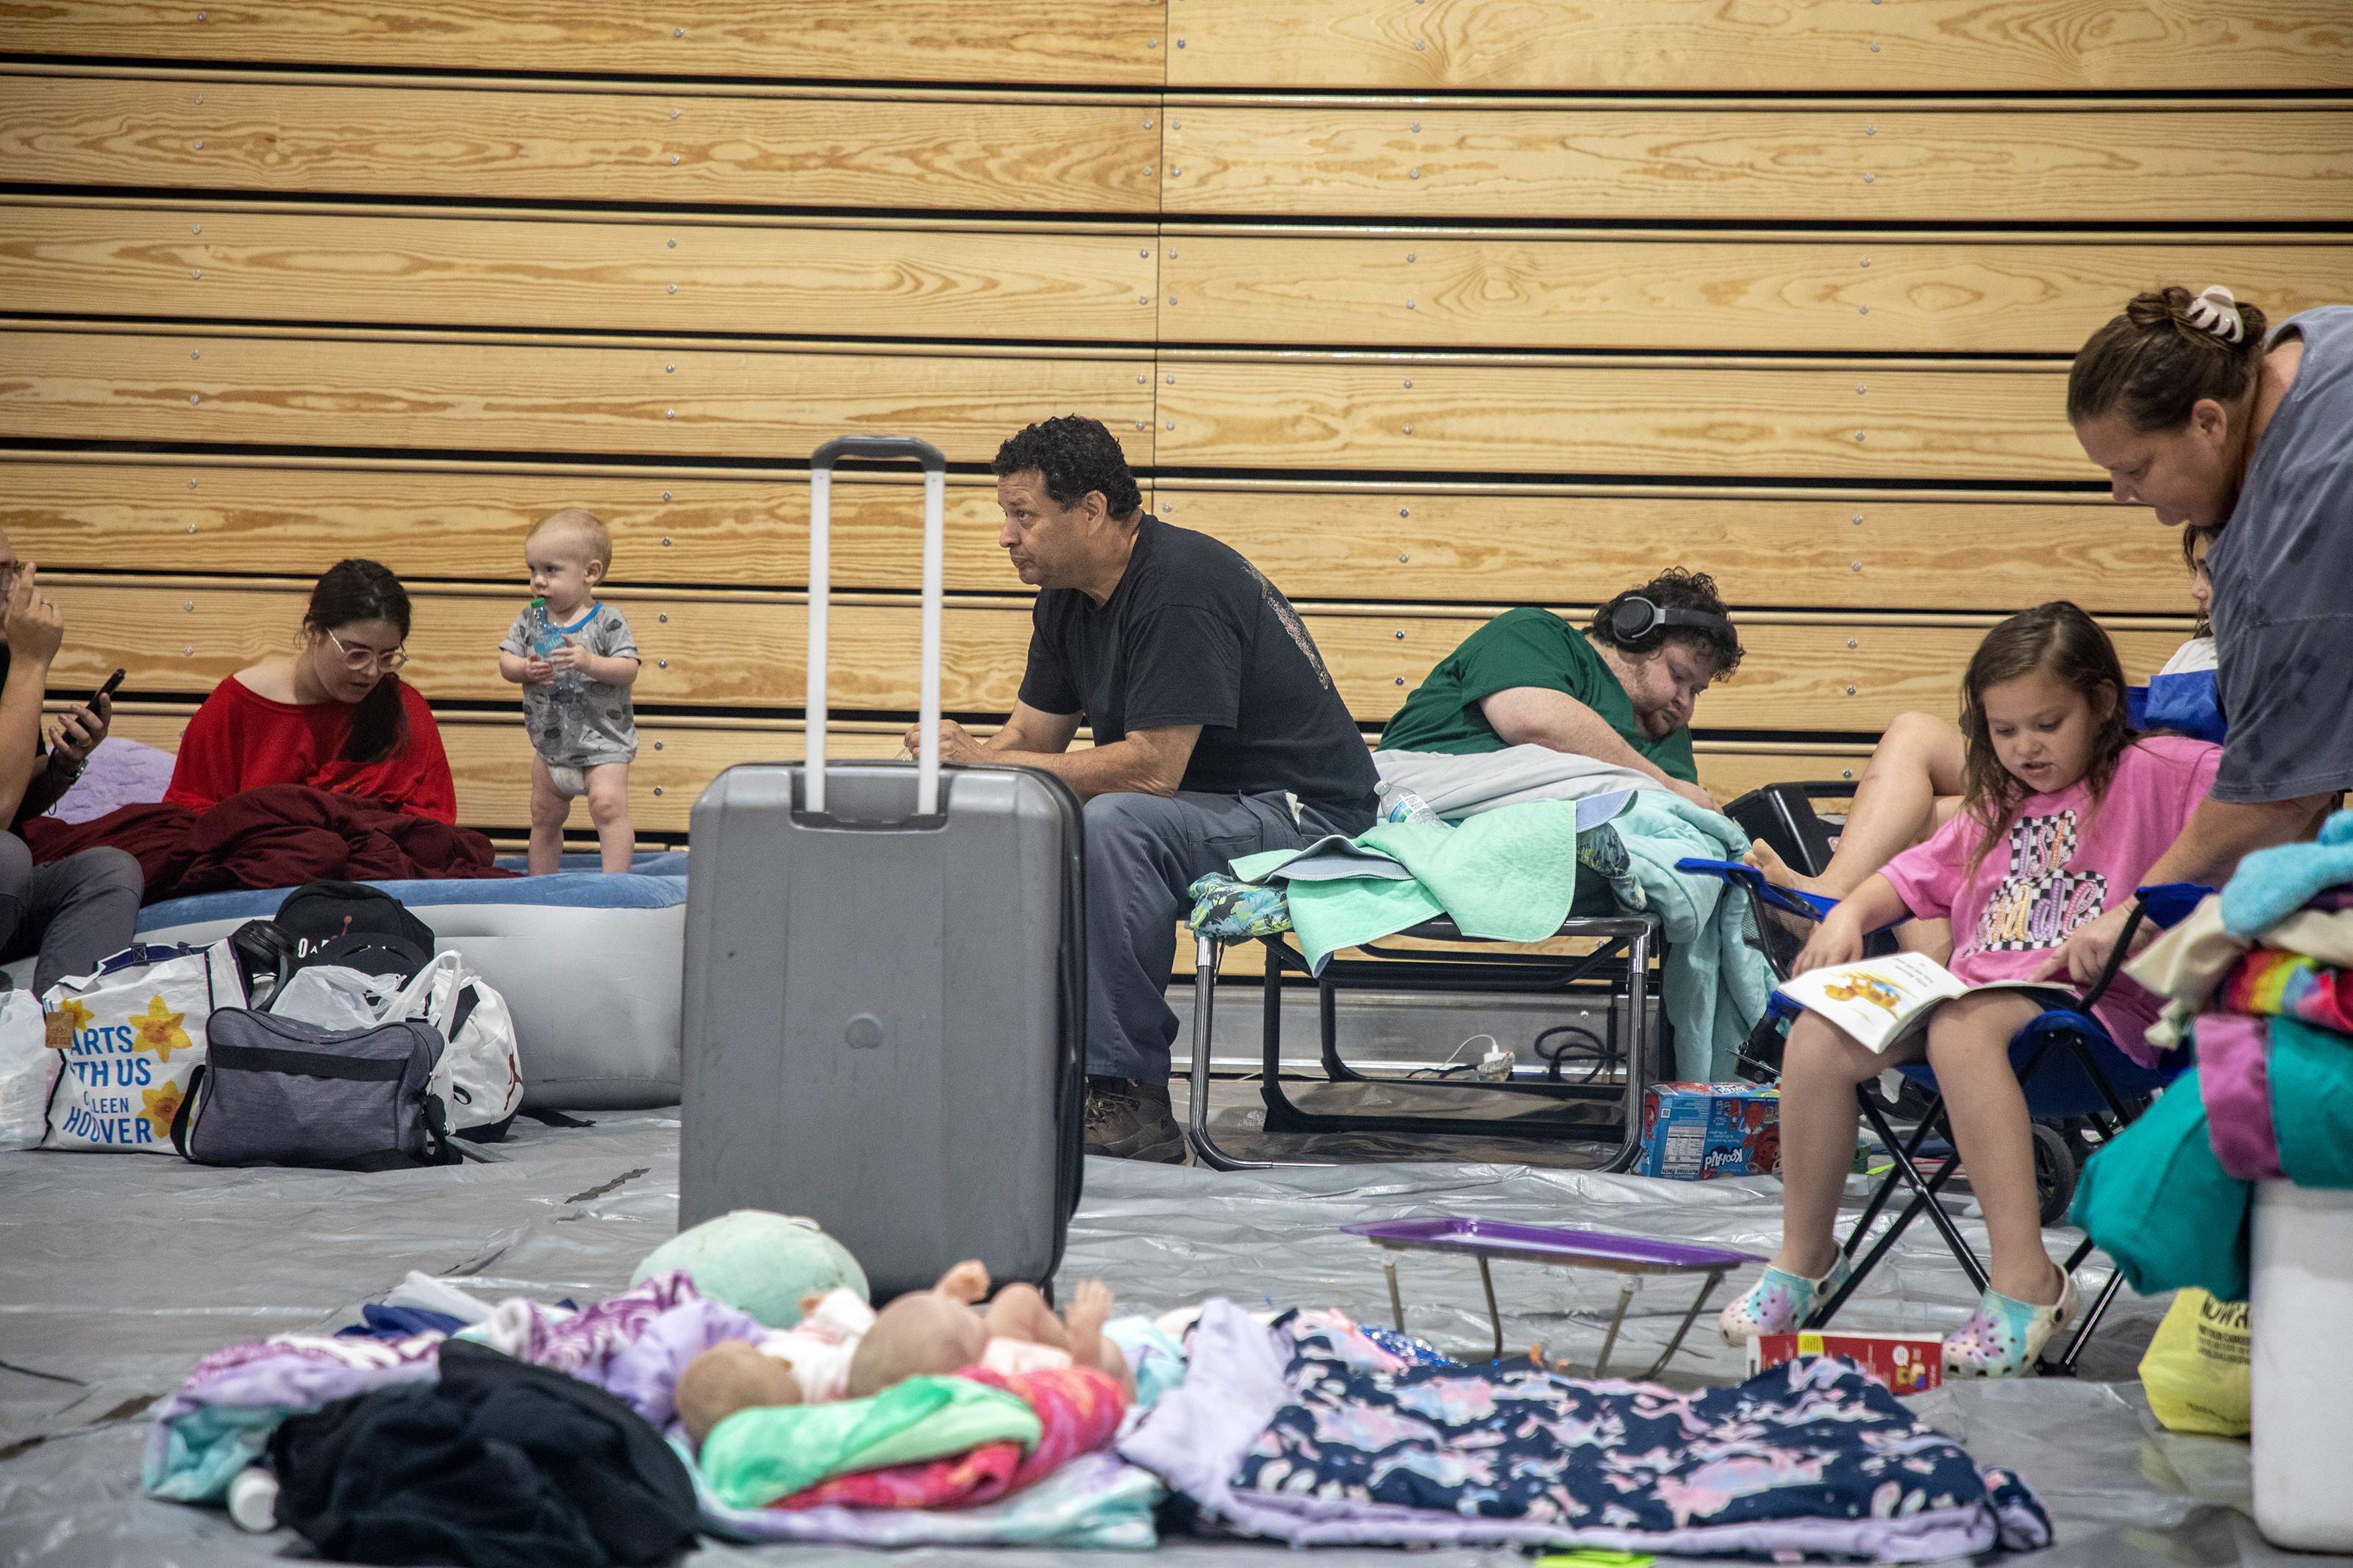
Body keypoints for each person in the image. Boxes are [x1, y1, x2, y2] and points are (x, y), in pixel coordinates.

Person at [1716, 603, 2219, 1377]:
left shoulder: (2165, 771)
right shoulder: (1993, 803)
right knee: (1819, 1030)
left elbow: (2261, 802)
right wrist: (1847, 912)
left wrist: (2166, 909)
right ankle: (1805, 1258)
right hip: (1973, 1002)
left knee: (1960, 1022)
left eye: (2046, 724)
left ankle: (2027, 1277)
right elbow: (1908, 877)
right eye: (2002, 730)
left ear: (2104, 703)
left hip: (2096, 1017)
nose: (2024, 748)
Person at [901, 415, 1378, 1165]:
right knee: (1003, 815)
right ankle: (1001, 1060)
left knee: (1118, 823)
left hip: (1302, 812)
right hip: (1208, 806)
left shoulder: (1178, 587)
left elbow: (1153, 769)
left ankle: (1127, 1097)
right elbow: (1030, 742)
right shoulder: (1066, 595)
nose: (1005, 536)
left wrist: (986, 765)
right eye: (1005, 516)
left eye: (1022, 516)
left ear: (1090, 511)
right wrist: (954, 776)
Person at [2040, 283, 2349, 986]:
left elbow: (2279, 796)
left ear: (2209, 420)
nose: (2121, 492)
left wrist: (2137, 905)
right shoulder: (2318, 338)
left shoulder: (2292, 551)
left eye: (2135, 467)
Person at [1746, 522, 2226, 928]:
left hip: (2125, 791)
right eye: (2196, 569)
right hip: (2069, 771)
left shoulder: (2266, 664)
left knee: (1921, 823)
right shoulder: (2195, 652)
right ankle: (1831, 894)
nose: (2196, 589)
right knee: (1914, 735)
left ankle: (1928, 974)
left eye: (2210, 571)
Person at [1375, 569, 1743, 816]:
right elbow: (1534, 722)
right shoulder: (1534, 632)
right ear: (1637, 633)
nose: (1685, 701)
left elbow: (1674, 816)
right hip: (1414, 795)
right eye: (1679, 676)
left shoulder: (1666, 726)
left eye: (1697, 691)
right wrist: (1665, 785)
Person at [167, 559, 457, 824]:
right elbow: (187, 812)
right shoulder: (237, 703)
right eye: (357, 654)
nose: (371, 672)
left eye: (387, 658)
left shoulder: (404, 707)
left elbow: (432, 821)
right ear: (313, 631)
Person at [0, 531, 141, 992]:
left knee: (109, 870)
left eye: (15, 570)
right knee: (7, 858)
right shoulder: (20, 660)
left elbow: (17, 798)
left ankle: (61, 1044)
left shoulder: (5, 659)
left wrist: (65, 762)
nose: (17, 588)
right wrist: (32, 663)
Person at [496, 509, 640, 874]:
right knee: (544, 815)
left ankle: (616, 883)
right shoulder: (531, 619)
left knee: (608, 807)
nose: (538, 581)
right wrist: (524, 668)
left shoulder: (608, 620)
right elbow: (506, 662)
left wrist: (589, 662)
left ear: (590, 573)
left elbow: (629, 669)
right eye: (532, 570)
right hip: (550, 744)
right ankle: (540, 883)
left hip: (603, 743)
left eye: (551, 570)